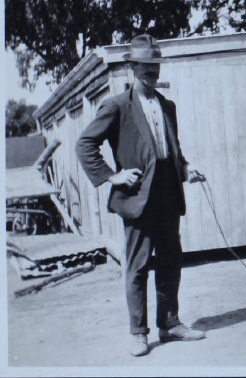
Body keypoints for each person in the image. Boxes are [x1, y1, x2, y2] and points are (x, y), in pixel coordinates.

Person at [76, 34, 206, 357]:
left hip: (167, 191)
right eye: (144, 65)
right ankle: (138, 332)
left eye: (155, 65)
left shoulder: (167, 106)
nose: (151, 71)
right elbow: (85, 145)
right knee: (136, 266)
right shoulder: (117, 105)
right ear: (132, 67)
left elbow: (170, 149)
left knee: (171, 260)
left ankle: (170, 323)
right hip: (137, 196)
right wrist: (112, 175)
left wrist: (186, 169)